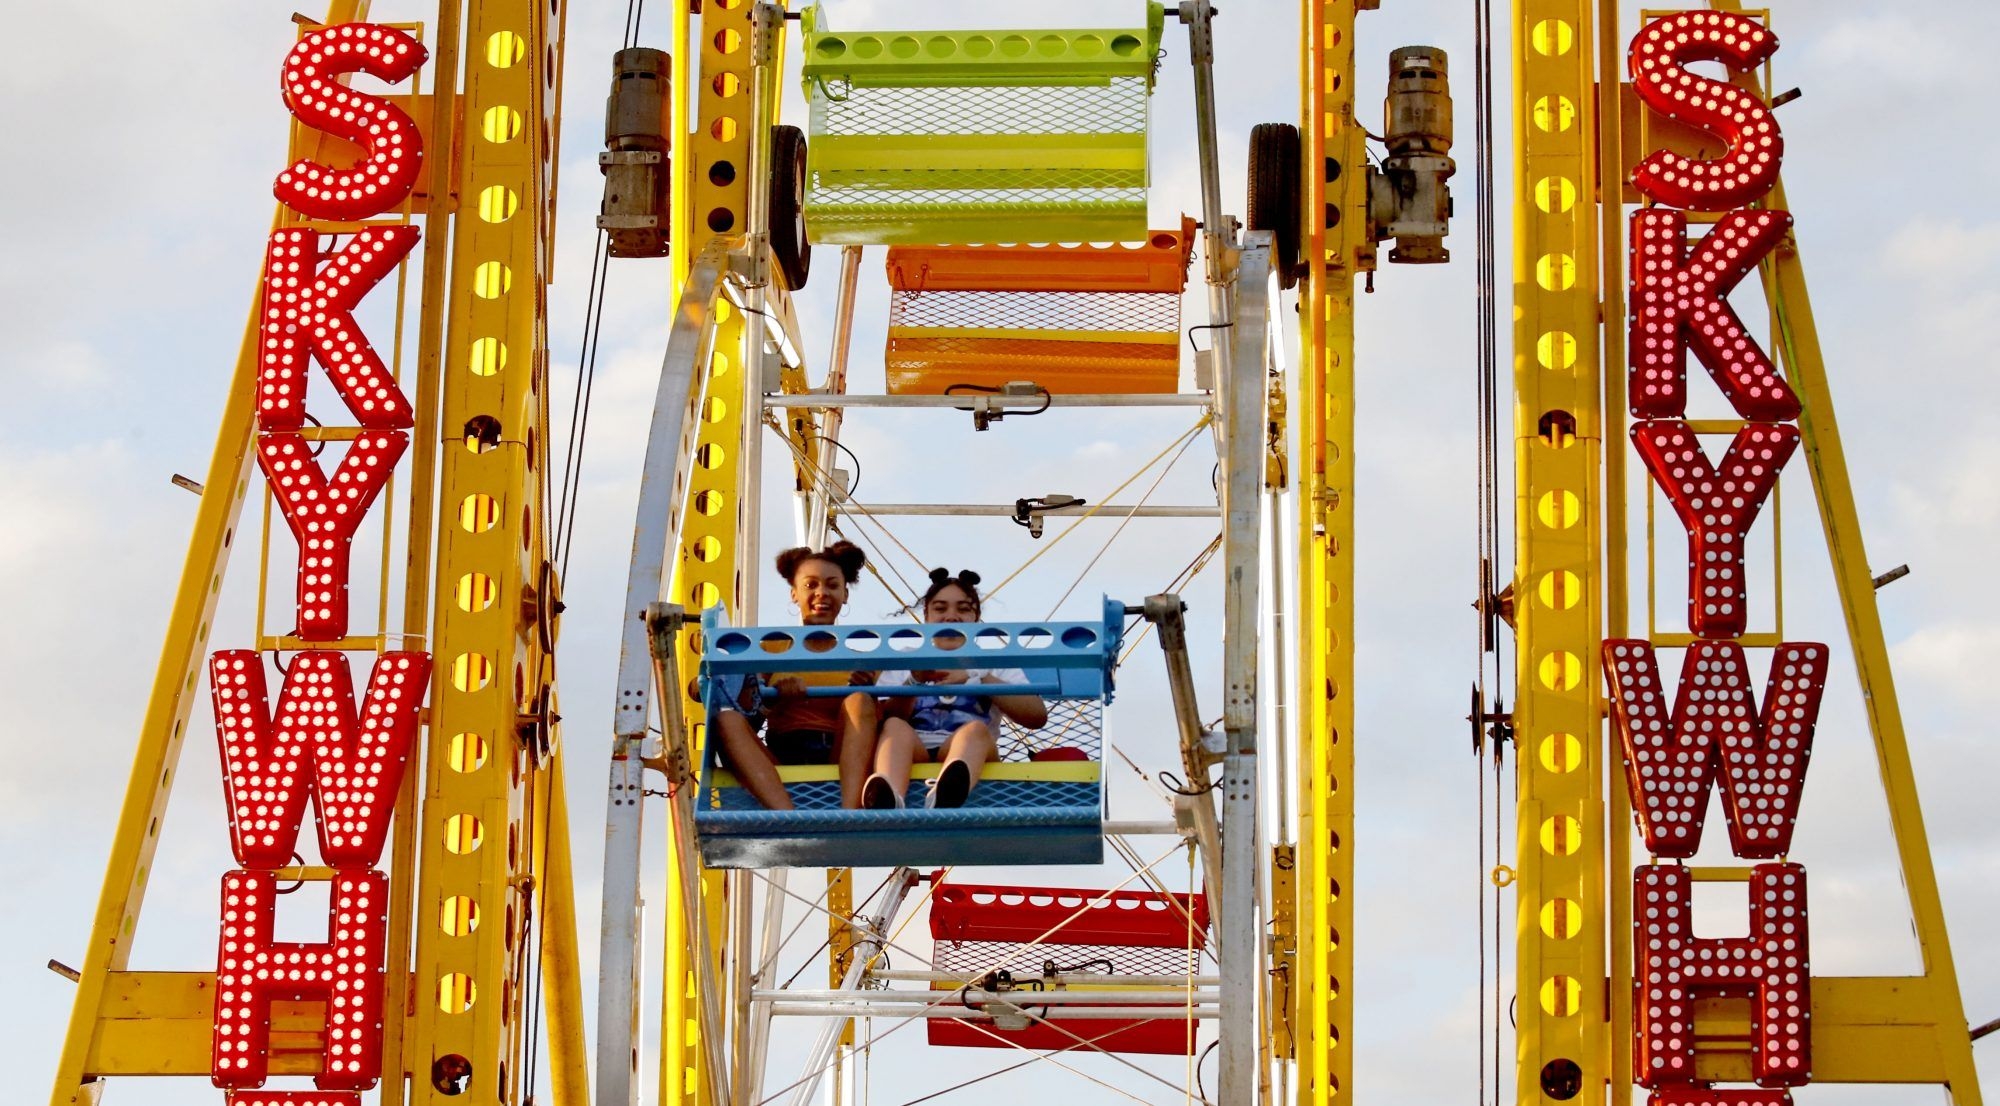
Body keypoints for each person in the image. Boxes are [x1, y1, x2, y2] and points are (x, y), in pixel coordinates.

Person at [713, 541, 880, 810]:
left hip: (838, 759)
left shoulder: (863, 663)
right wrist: (771, 702)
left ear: (845, 594)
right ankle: (786, 815)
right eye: (810, 585)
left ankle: (849, 813)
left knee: (860, 700)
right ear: (794, 594)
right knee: (726, 719)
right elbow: (747, 719)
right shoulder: (769, 649)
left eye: (832, 585)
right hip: (781, 757)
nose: (822, 593)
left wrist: (869, 694)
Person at [863, 568, 1048, 810]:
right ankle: (890, 798)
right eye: (940, 608)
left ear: (976, 617)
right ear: (926, 616)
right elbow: (887, 718)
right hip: (915, 747)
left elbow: (1036, 715)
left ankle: (947, 794)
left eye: (963, 609)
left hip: (969, 750)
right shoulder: (905, 659)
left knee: (975, 731)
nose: (951, 616)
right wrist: (914, 682)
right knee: (894, 728)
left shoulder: (993, 662)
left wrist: (976, 677)